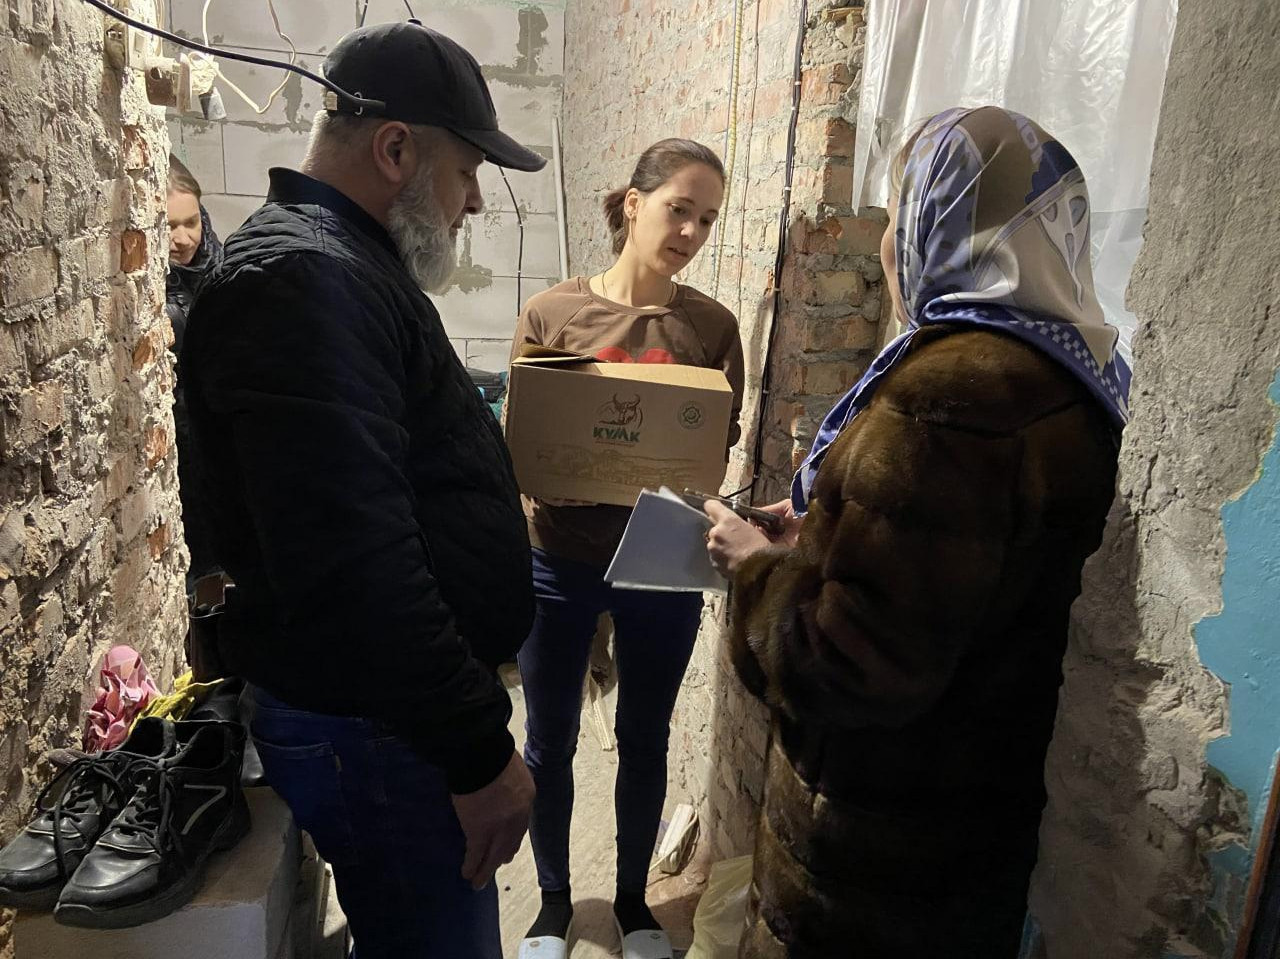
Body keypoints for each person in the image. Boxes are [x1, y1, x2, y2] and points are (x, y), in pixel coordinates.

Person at [704, 106, 1131, 958]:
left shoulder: (945, 402)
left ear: (944, 228)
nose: (888, 244)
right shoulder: (1075, 377)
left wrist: (756, 570)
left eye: (901, 216)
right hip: (968, 842)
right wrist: (819, 535)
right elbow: (943, 584)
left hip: (870, 860)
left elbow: (847, 665)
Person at [180, 22, 545, 959]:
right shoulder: (307, 278)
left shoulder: (335, 261)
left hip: (383, 719)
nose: (472, 201)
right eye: (467, 173)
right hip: (381, 731)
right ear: (395, 151)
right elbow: (356, 563)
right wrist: (479, 750)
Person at [511, 139, 745, 959]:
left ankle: (634, 904)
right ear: (635, 203)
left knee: (645, 737)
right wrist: (555, 476)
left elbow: (714, 449)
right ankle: (552, 903)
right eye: (680, 209)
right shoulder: (553, 314)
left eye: (707, 219)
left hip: (660, 563)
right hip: (558, 556)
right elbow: (524, 440)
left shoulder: (711, 328)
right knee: (549, 739)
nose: (691, 232)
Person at [165, 155, 222, 586]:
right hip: (178, 438)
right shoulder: (149, 286)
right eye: (169, 226)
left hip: (218, 429)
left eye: (191, 222)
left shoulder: (219, 264)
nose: (183, 238)